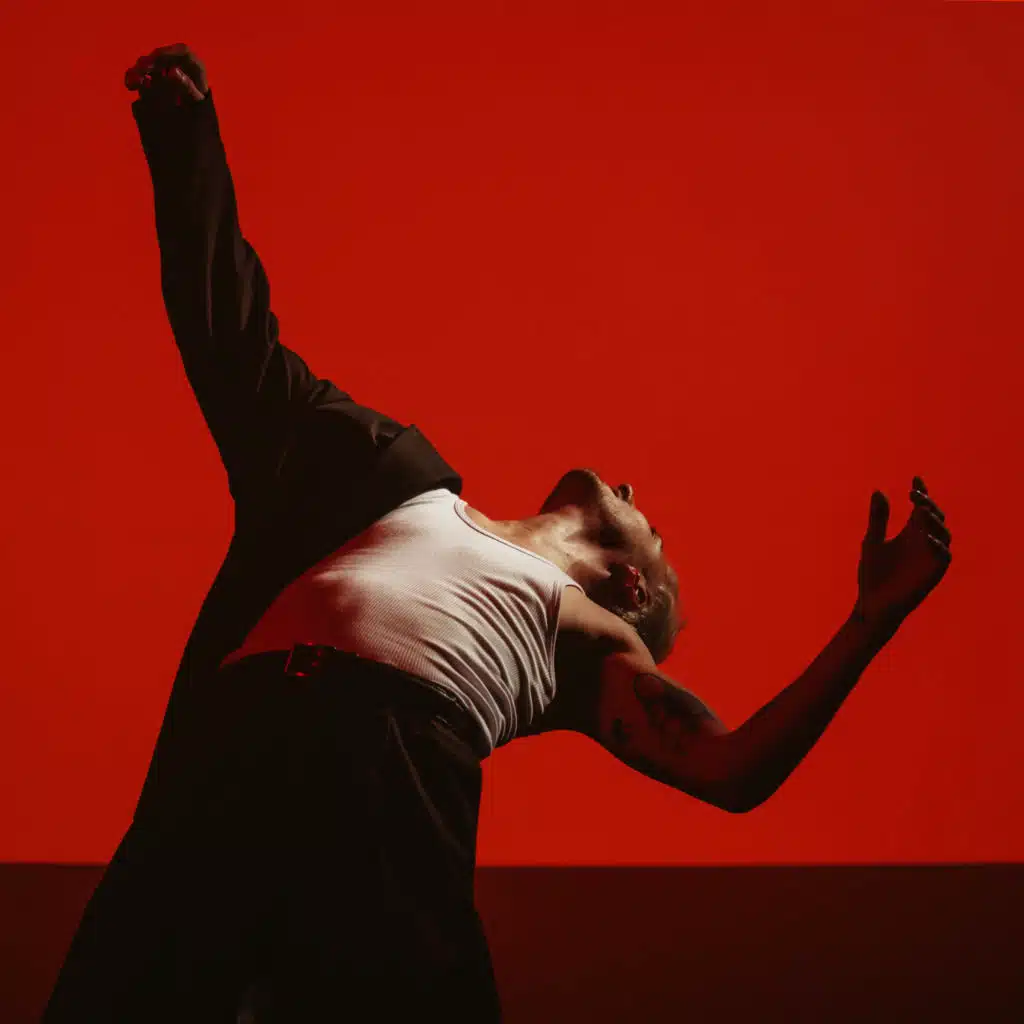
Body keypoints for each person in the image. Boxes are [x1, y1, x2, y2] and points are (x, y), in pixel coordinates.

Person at [42, 43, 954, 1024]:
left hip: (385, 766)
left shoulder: (592, 637)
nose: (634, 489)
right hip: (229, 755)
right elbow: (232, 339)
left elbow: (729, 771)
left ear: (630, 589)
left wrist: (871, 620)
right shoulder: (367, 469)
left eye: (652, 528)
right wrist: (183, 135)